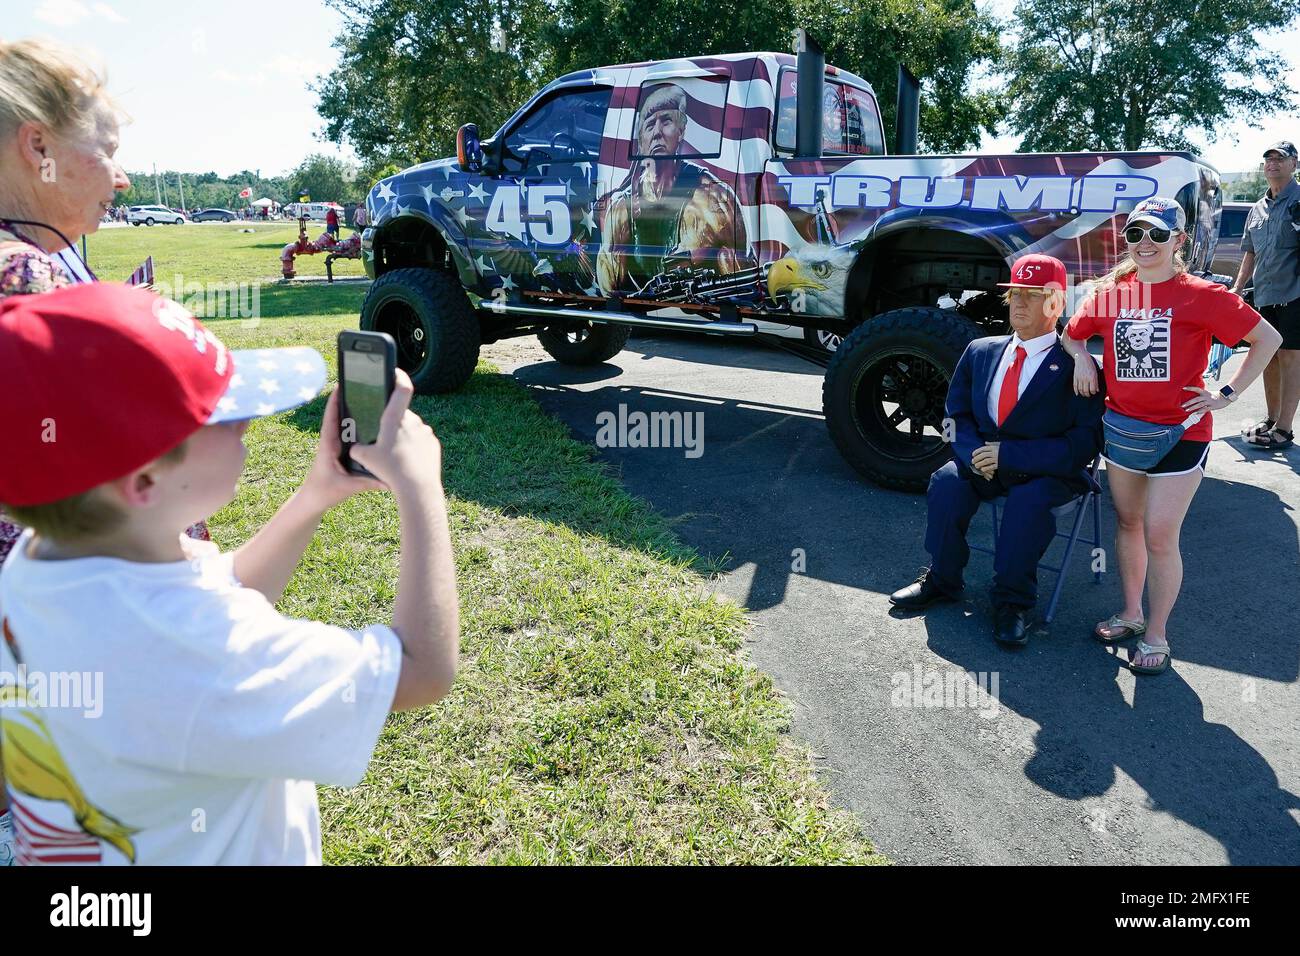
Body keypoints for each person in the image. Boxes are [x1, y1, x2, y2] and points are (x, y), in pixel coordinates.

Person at [0, 284, 459, 864]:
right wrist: (422, 487)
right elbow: (421, 671)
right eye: (222, 415)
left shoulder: (45, 562)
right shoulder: (195, 654)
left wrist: (317, 494)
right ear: (143, 483)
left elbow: (220, 594)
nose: (246, 425)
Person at [1064, 197, 1281, 675]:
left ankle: (1157, 633)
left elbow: (1267, 339)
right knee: (1128, 525)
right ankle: (1130, 613)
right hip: (1121, 427)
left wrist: (1226, 392)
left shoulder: (1203, 295)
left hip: (1182, 432)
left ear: (1178, 241)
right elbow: (1072, 333)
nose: (1146, 243)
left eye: (1158, 234)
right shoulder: (1113, 293)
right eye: (1137, 232)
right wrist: (1081, 356)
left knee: (1161, 535)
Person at [889, 254, 1105, 646]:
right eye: (1013, 294)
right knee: (947, 483)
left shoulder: (1078, 366)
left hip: (1046, 472)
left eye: (1031, 295)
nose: (1018, 303)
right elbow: (956, 415)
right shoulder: (981, 351)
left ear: (1056, 302)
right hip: (983, 464)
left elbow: (1082, 444)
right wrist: (973, 454)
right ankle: (942, 579)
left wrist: (1009, 456)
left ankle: (1012, 602)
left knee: (1029, 503)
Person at [596, 83, 753, 294]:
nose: (657, 132)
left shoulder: (712, 197)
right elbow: (610, 289)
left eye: (666, 121)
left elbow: (744, 277)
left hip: (707, 314)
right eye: (650, 125)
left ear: (682, 130)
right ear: (641, 139)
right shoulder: (622, 208)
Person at [1231, 141, 1300, 451]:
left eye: (1280, 159)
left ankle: (1285, 429)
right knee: (1267, 355)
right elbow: (1250, 252)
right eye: (1268, 159)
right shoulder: (1257, 208)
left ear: (1294, 164)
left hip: (1295, 293)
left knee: (1291, 357)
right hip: (1264, 294)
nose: (1272, 164)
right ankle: (1271, 420)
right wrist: (1237, 286)